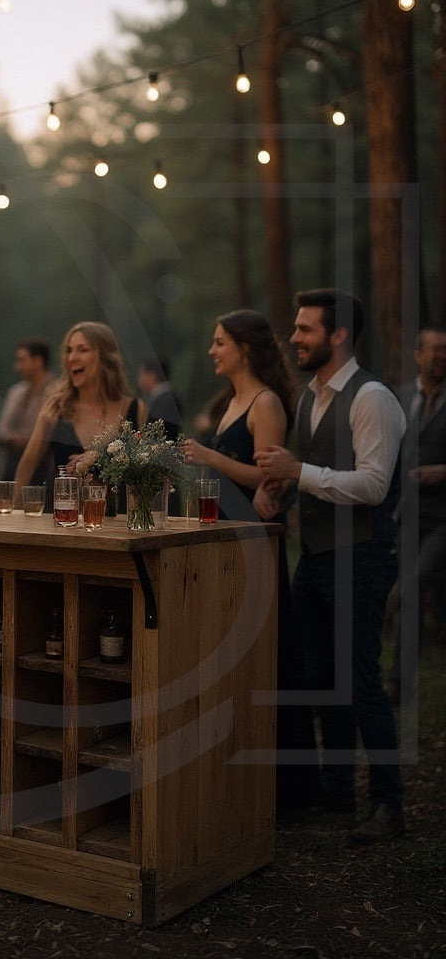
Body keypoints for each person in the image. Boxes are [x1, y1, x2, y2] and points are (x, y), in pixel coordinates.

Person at [256, 288, 406, 843]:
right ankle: (338, 789)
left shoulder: (373, 399)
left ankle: (390, 804)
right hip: (315, 559)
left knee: (362, 681)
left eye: (305, 329)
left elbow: (372, 485)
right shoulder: (308, 396)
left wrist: (297, 474)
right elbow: (316, 472)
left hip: (363, 557)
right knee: (322, 681)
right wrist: (281, 495)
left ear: (338, 335)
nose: (293, 337)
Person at [182, 309, 319, 814]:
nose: (213, 351)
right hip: (225, 541)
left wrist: (209, 458)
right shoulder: (229, 401)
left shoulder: (265, 404)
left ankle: (288, 793)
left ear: (244, 346)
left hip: (256, 547)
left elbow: (268, 482)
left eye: (220, 342)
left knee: (266, 662)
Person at [13, 321, 147, 507]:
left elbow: (143, 474)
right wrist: (14, 520)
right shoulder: (56, 408)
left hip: (118, 525)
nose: (72, 358)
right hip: (63, 523)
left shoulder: (134, 408)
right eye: (68, 351)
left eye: (82, 350)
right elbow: (27, 466)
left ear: (105, 357)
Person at [384, 326, 446, 704]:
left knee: (414, 586)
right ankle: (400, 682)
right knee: (414, 591)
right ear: (418, 355)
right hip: (405, 516)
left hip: (443, 518)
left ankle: (397, 681)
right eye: (435, 349)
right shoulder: (399, 398)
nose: (441, 356)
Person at [0, 337, 54, 481]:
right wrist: (16, 439)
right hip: (13, 464)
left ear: (38, 361)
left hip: (45, 466)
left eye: (22, 360)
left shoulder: (57, 392)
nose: (17, 367)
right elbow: (1, 430)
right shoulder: (16, 392)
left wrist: (30, 441)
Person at [137, 356, 183, 440]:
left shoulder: (165, 401)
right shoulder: (165, 398)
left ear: (152, 376)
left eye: (142, 374)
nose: (140, 379)